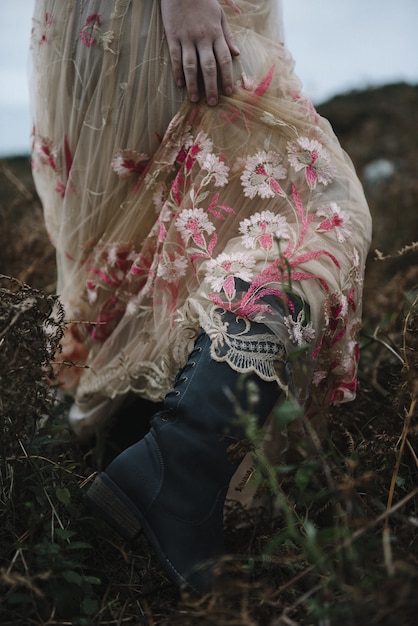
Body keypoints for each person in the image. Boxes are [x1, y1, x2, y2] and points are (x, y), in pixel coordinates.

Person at [30, 0, 372, 593]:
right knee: (322, 217)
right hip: (163, 20)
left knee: (150, 256)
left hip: (107, 25)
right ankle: (180, 465)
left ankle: (136, 482)